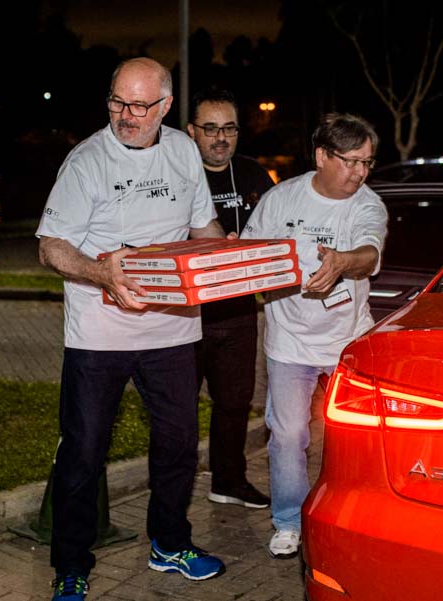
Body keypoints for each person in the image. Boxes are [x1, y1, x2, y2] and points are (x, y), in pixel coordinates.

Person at [36, 57, 227, 600]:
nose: (126, 115)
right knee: (84, 452)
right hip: (100, 334)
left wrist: (227, 255)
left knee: (179, 444)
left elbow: (203, 226)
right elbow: (51, 247)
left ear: (165, 106)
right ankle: (71, 565)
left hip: (173, 331)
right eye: (117, 102)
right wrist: (101, 273)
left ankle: (170, 542)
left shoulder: (183, 151)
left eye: (140, 106)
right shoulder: (86, 161)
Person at [240, 112, 387, 559]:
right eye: (351, 161)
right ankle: (289, 521)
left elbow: (369, 253)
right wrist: (237, 256)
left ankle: (358, 515)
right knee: (287, 436)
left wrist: (342, 261)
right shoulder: (281, 199)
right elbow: (249, 253)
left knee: (357, 436)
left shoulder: (368, 205)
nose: (360, 172)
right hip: (288, 341)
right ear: (322, 156)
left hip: (347, 341)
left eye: (367, 162)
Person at [187, 88, 275, 510]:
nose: (220, 138)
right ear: (192, 132)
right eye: (210, 129)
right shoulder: (177, 174)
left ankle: (228, 481)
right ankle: (175, 488)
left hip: (239, 310)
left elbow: (277, 229)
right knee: (179, 409)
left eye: (229, 129)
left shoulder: (254, 174)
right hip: (185, 314)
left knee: (235, 403)